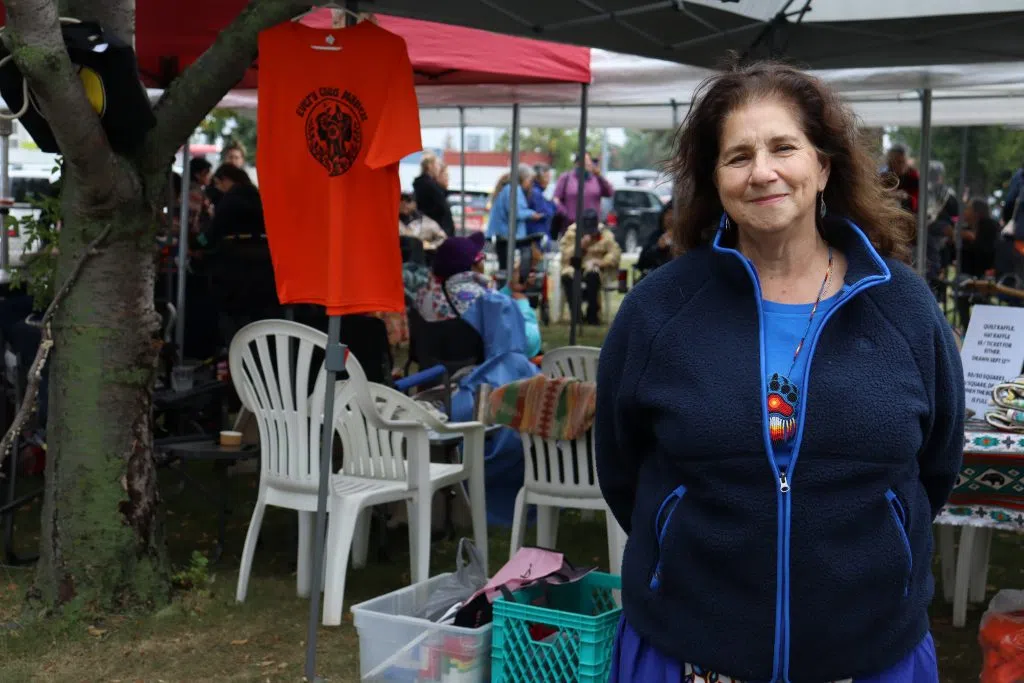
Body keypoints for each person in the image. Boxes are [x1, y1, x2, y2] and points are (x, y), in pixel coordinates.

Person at [596, 61, 964, 683]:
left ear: (823, 167)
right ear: (715, 180)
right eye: (737, 156)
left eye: (783, 147)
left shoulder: (901, 307)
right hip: (688, 649)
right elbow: (622, 467)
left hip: (869, 654)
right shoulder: (658, 311)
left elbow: (936, 464)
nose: (762, 171)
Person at [204, 164, 278, 345]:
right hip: (264, 268)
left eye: (219, 183)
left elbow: (212, 234)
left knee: (233, 324)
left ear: (226, 179)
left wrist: (197, 244)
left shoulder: (229, 201)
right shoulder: (260, 197)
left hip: (232, 269)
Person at [559, 208, 621, 325]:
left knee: (593, 275)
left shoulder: (605, 234)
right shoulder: (571, 233)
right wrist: (580, 246)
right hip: (574, 265)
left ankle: (592, 315)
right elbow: (564, 255)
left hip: (594, 268)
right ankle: (576, 315)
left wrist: (601, 262)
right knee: (567, 276)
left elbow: (615, 253)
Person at [553, 152, 613, 225]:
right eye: (585, 160)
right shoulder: (566, 177)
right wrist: (566, 213)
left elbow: (610, 192)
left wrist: (599, 175)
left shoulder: (596, 178)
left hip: (592, 226)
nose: (588, 163)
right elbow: (556, 199)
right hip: (571, 225)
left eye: (589, 160)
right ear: (577, 163)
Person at [413, 152, 455, 237]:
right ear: (430, 166)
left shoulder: (427, 184)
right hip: (436, 231)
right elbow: (440, 208)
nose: (438, 168)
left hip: (437, 229)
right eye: (436, 165)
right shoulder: (428, 185)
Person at [637, 199, 675, 273]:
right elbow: (641, 264)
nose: (670, 218)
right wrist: (657, 248)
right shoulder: (656, 235)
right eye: (668, 213)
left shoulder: (684, 239)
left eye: (673, 214)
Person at [883, 144, 920, 215]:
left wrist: (906, 197)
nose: (897, 165)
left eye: (901, 162)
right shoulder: (885, 176)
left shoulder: (913, 176)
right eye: (894, 162)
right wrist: (890, 194)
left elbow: (917, 202)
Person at [527, 163, 557, 238]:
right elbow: (546, 212)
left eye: (549, 177)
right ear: (537, 178)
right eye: (546, 177)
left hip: (539, 232)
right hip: (537, 233)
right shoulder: (535, 192)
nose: (548, 181)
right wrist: (553, 203)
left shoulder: (538, 191)